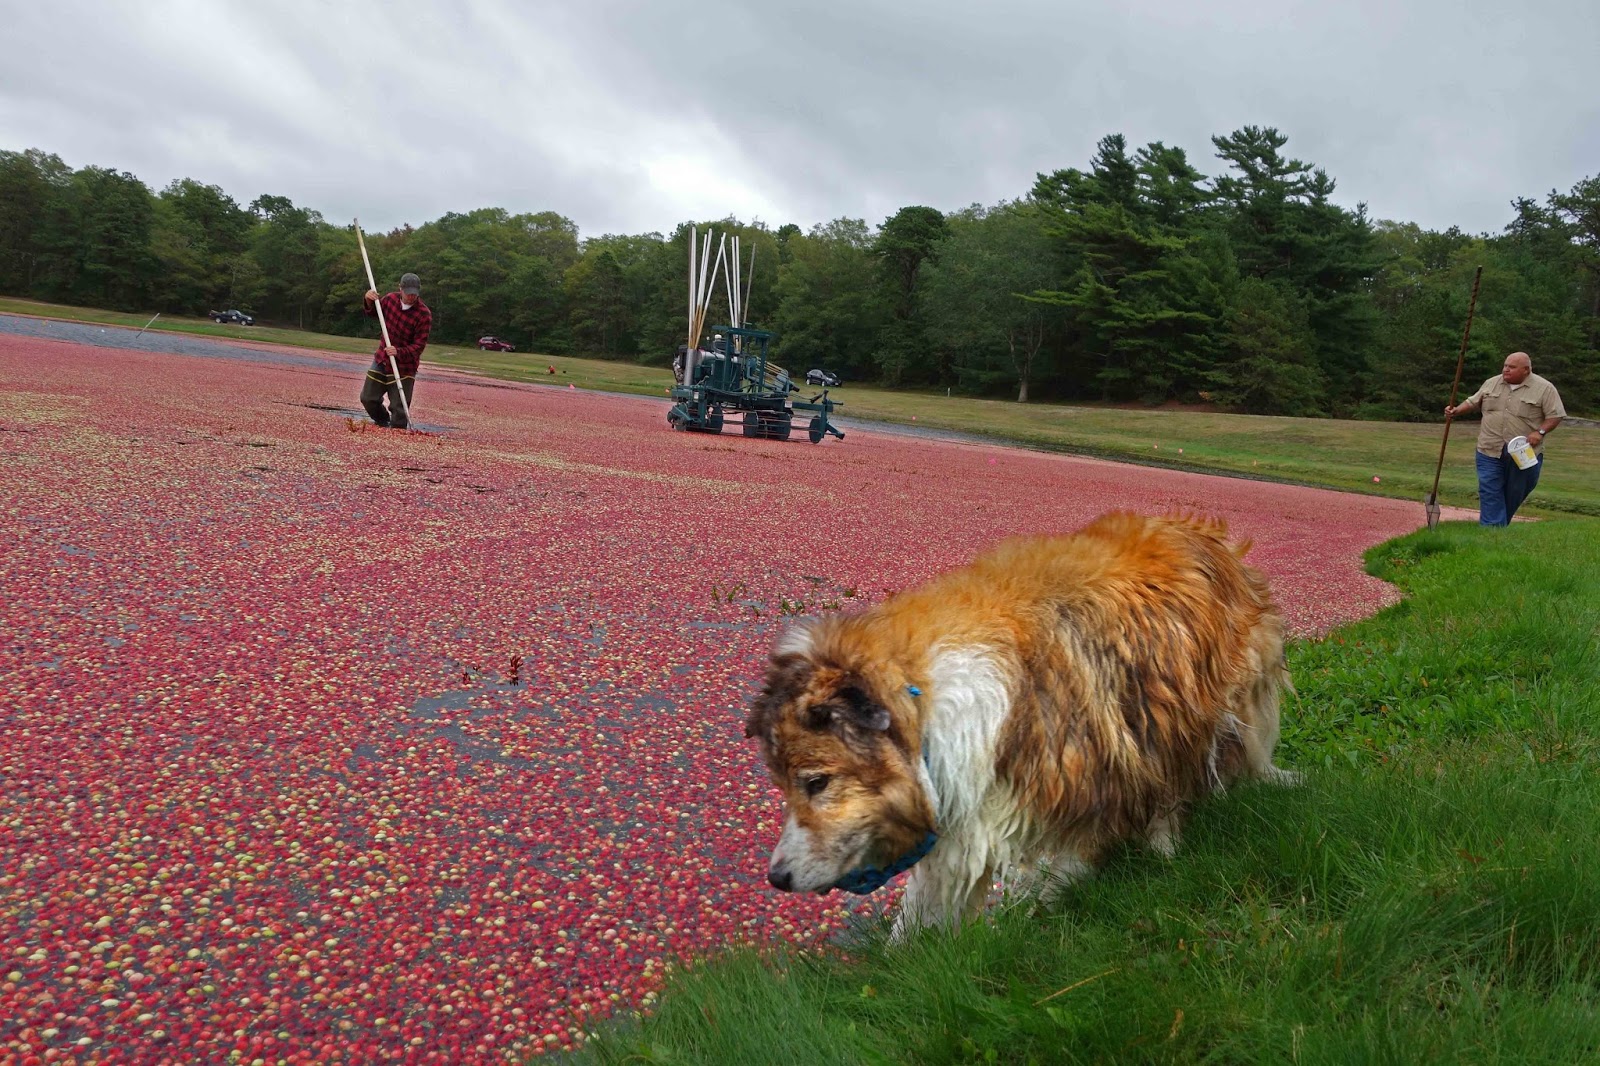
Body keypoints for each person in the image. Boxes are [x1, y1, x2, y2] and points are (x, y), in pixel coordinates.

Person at [1444, 351, 1565, 526]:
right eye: (1505, 365)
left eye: (1512, 367)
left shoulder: (1544, 388)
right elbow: (1473, 401)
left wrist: (1540, 432)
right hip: (1488, 449)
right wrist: (1456, 411)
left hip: (1523, 452)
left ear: (1526, 370)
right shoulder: (1492, 383)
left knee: (1516, 491)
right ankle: (1492, 531)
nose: (1506, 369)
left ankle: (1499, 526)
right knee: (1489, 489)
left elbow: (1555, 416)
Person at [361, 272, 432, 429]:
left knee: (400, 411)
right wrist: (368, 299)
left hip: (405, 367)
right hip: (382, 358)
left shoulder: (423, 314)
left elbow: (418, 346)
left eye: (414, 294)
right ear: (400, 289)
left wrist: (399, 352)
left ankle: (397, 433)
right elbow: (373, 313)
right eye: (408, 293)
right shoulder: (390, 300)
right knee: (368, 398)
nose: (411, 297)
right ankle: (382, 421)